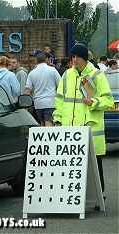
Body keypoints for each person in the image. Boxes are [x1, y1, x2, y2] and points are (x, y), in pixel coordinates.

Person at [53, 41, 114, 200]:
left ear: (85, 58)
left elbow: (109, 101)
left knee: (94, 165)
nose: (75, 60)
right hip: (69, 130)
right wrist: (58, 120)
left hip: (90, 129)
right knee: (70, 165)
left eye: (78, 56)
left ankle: (99, 195)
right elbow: (59, 100)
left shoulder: (96, 75)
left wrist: (93, 103)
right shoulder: (67, 75)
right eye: (73, 56)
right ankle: (71, 196)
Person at [25, 51, 61, 126]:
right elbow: (60, 85)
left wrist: (25, 105)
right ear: (45, 60)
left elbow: (27, 90)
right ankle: (49, 138)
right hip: (50, 102)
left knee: (42, 124)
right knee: (49, 124)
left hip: (38, 103)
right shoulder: (52, 70)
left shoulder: (32, 73)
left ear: (36, 60)